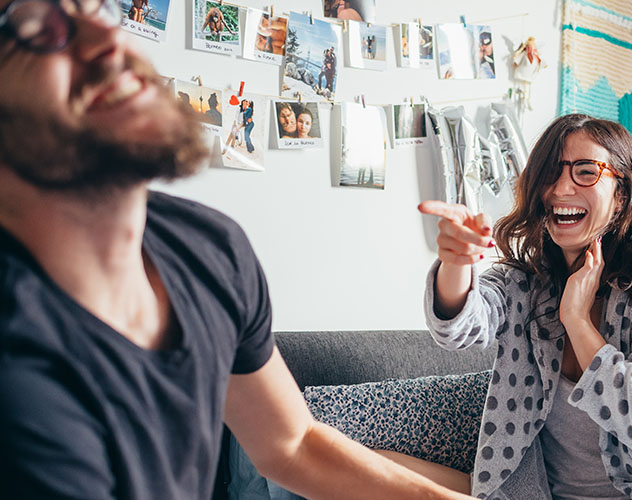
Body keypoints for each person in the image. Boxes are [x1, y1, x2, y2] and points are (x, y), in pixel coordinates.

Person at [0, 1, 475, 499]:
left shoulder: (209, 247)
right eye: (40, 26)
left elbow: (292, 444)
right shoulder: (18, 359)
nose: (108, 38)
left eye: (95, 5)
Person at [416, 114, 632, 499]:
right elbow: (455, 329)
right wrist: (457, 261)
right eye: (551, 172)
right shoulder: (524, 285)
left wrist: (577, 321)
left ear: (621, 193)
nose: (560, 188)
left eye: (586, 172)